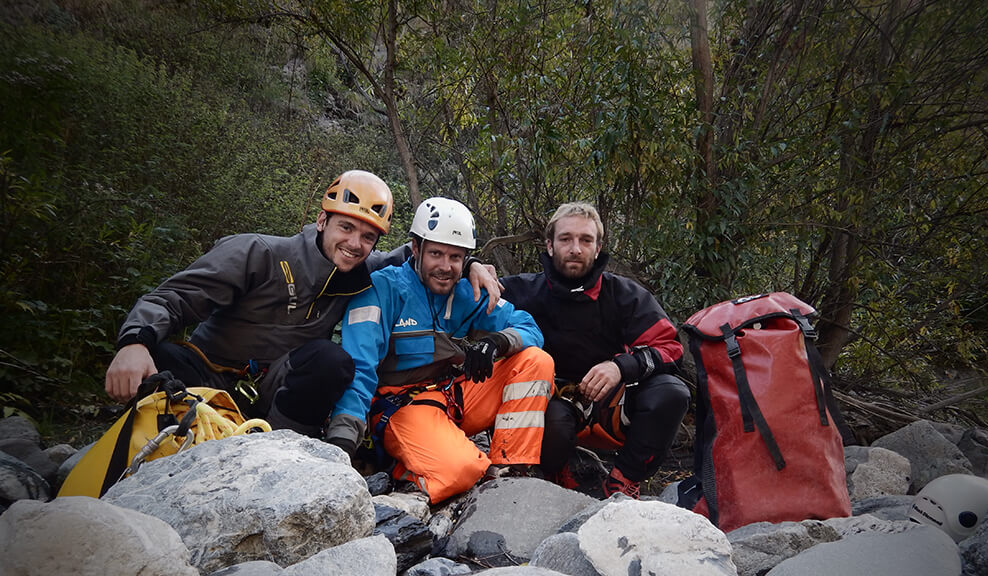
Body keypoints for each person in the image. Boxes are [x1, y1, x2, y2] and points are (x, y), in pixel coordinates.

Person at [104, 170, 500, 436]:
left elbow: (424, 260)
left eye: (367, 236)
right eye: (346, 226)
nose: (355, 243)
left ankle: (280, 448)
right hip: (207, 373)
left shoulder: (362, 271)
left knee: (332, 361)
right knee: (158, 355)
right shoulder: (257, 253)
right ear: (322, 221)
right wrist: (134, 343)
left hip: (274, 387)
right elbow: (175, 297)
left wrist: (473, 266)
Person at [326, 197, 554, 503]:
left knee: (535, 361)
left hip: (453, 396)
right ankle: (403, 470)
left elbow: (530, 328)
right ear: (416, 249)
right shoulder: (381, 290)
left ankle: (510, 469)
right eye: (436, 254)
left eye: (456, 257)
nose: (445, 267)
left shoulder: (467, 291)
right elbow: (360, 367)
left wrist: (497, 341)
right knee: (462, 471)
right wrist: (341, 444)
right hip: (401, 406)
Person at [500, 201, 690, 498]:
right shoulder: (520, 291)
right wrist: (474, 267)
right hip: (553, 403)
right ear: (549, 246)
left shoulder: (625, 295)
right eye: (566, 239)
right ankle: (552, 473)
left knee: (672, 392)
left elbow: (670, 348)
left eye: (585, 240)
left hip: (611, 402)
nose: (575, 248)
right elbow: (445, 275)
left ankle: (623, 480)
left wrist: (621, 366)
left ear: (598, 247)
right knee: (554, 421)